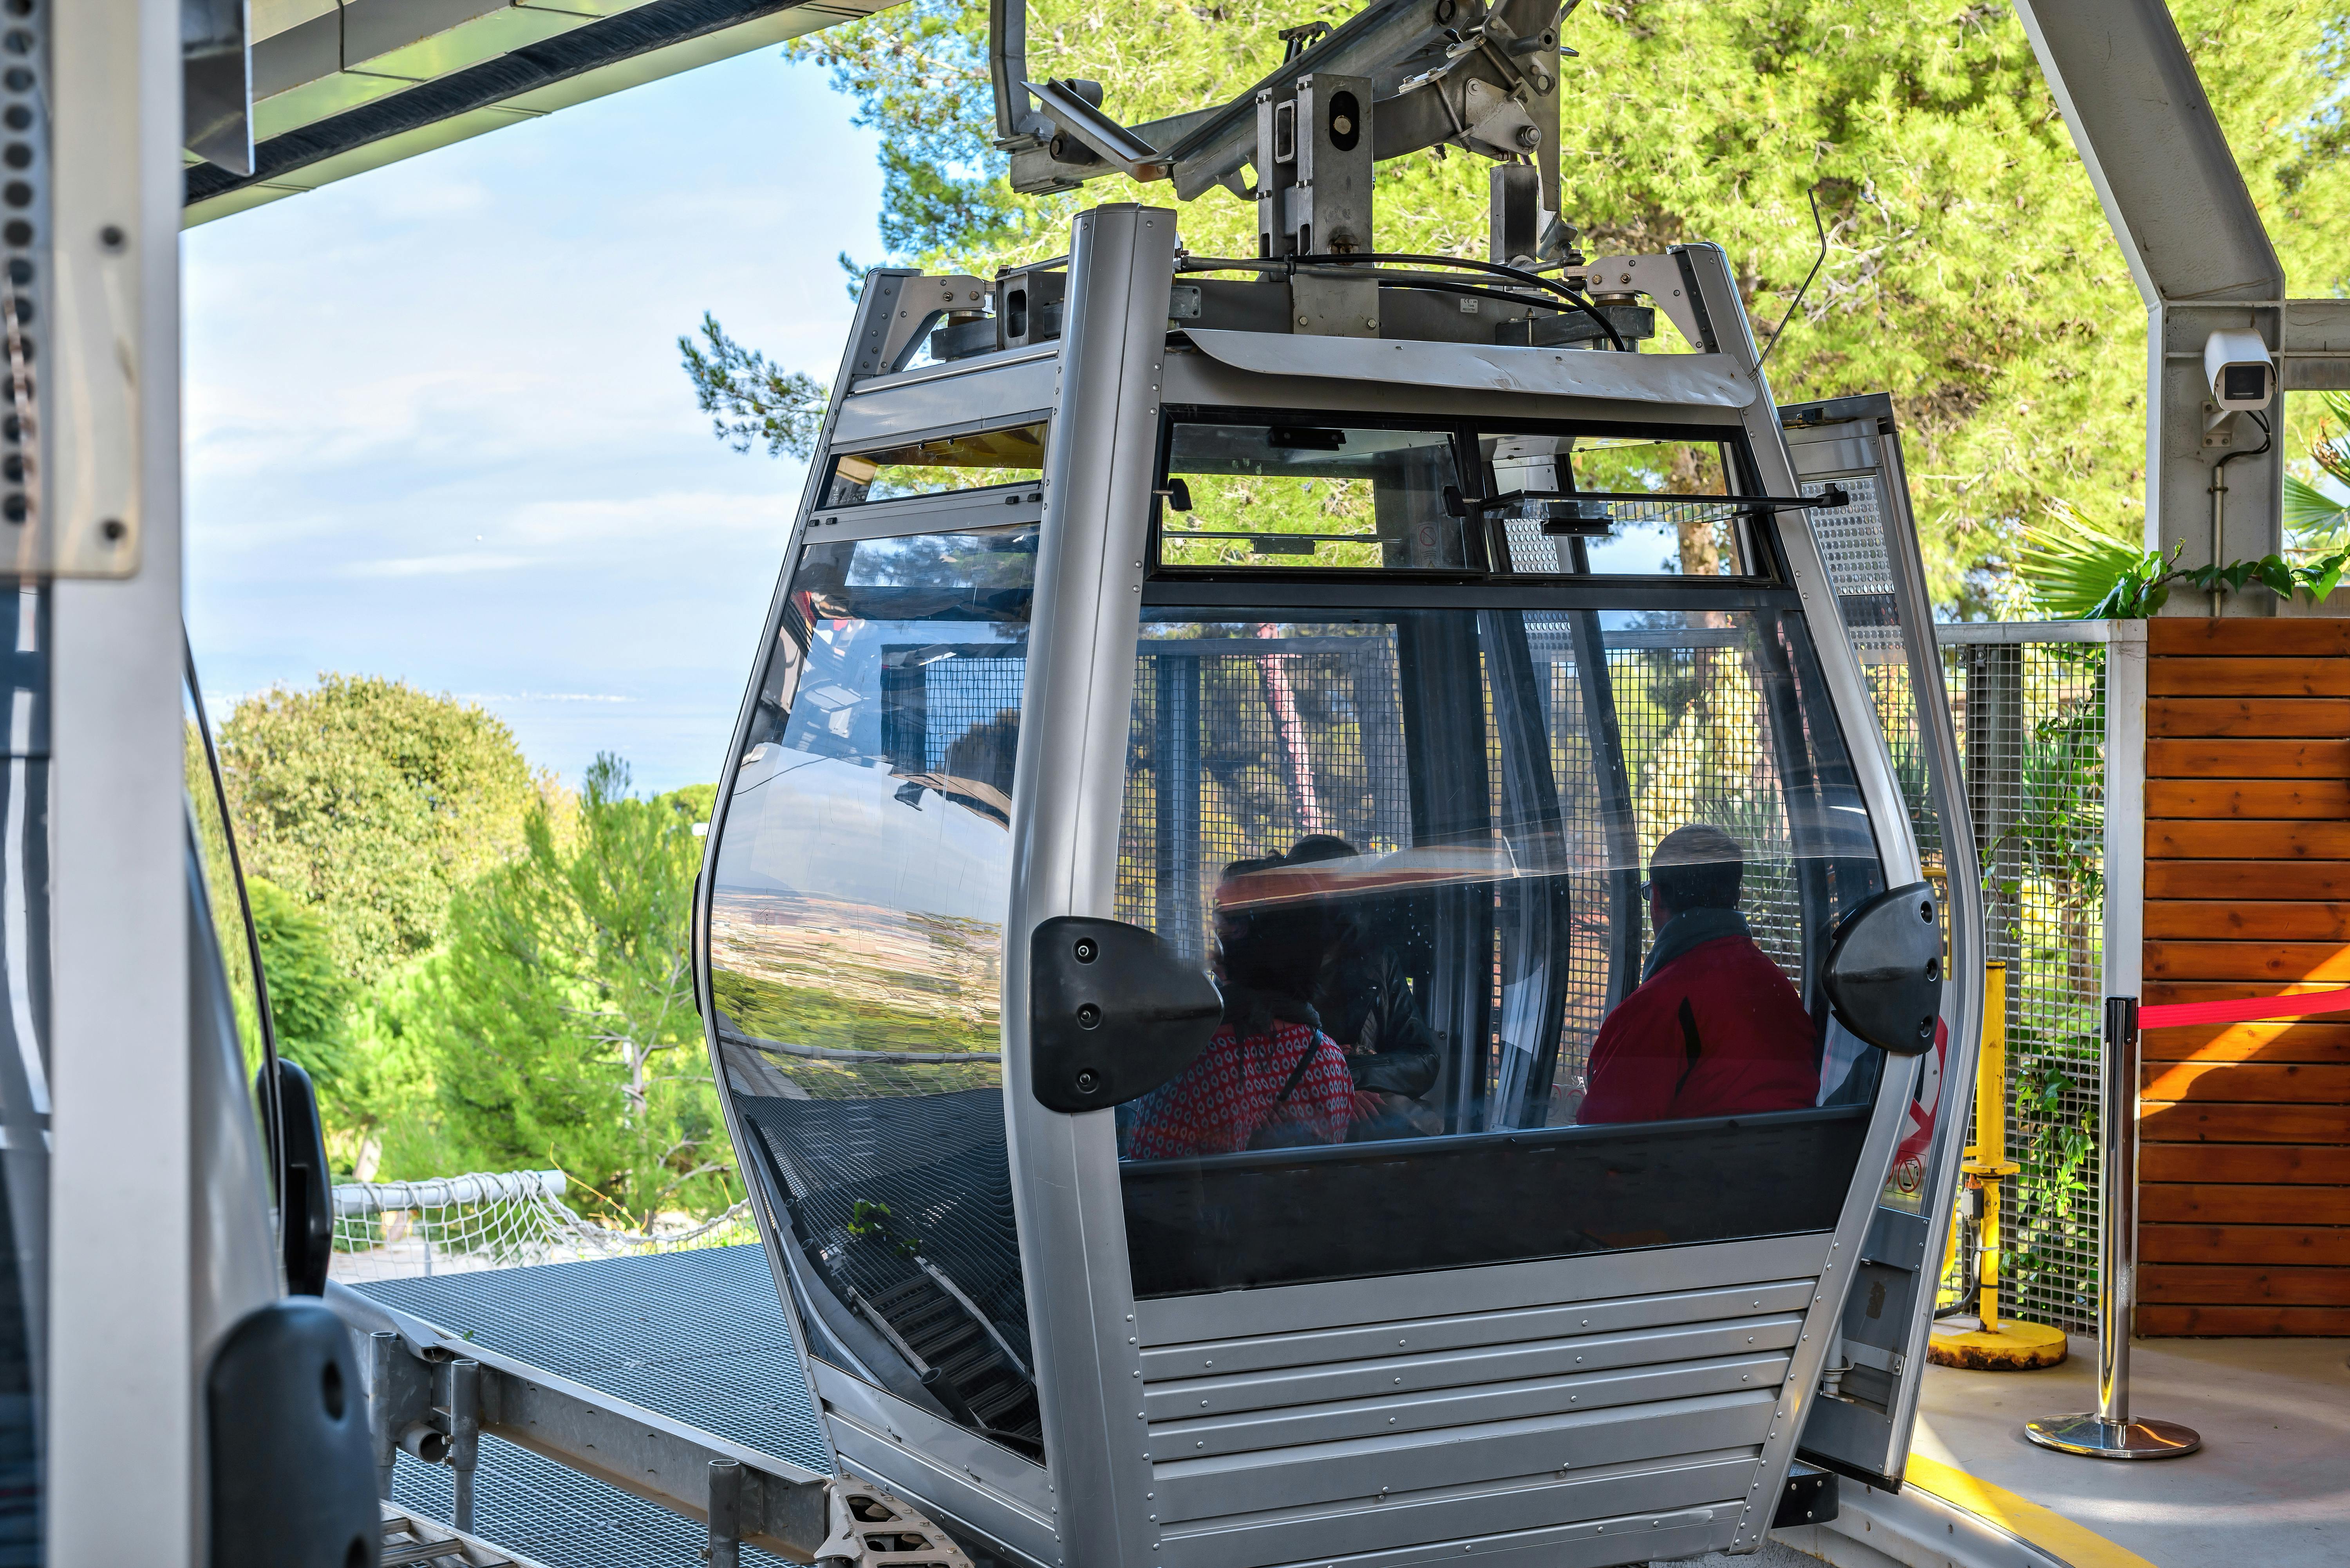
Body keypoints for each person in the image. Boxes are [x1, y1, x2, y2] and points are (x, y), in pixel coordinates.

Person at [1578, 824, 1818, 1124]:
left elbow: (1600, 1142)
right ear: (1738, 896)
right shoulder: (1781, 993)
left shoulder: (1658, 1007)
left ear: (1656, 897)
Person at [1124, 859, 1354, 1158]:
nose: (1213, 932)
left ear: (1239, 937)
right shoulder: (1332, 1062)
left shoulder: (1193, 1059)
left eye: (1221, 919)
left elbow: (1148, 1171)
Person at [1282, 836, 1442, 1106]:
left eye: (1351, 888)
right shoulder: (1262, 966)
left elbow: (1423, 1061)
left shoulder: (1376, 962)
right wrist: (1330, 1086)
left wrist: (1345, 1077)